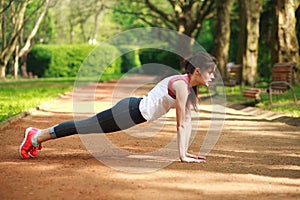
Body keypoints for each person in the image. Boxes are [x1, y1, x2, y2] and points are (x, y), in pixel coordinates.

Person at [19, 52, 216, 163]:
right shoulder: (182, 85)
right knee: (85, 126)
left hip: (131, 114)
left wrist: (185, 151)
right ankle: (36, 136)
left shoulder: (188, 89)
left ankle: (37, 135)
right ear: (198, 71)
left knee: (86, 126)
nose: (213, 77)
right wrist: (182, 155)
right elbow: (180, 125)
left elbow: (187, 121)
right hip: (128, 111)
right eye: (211, 72)